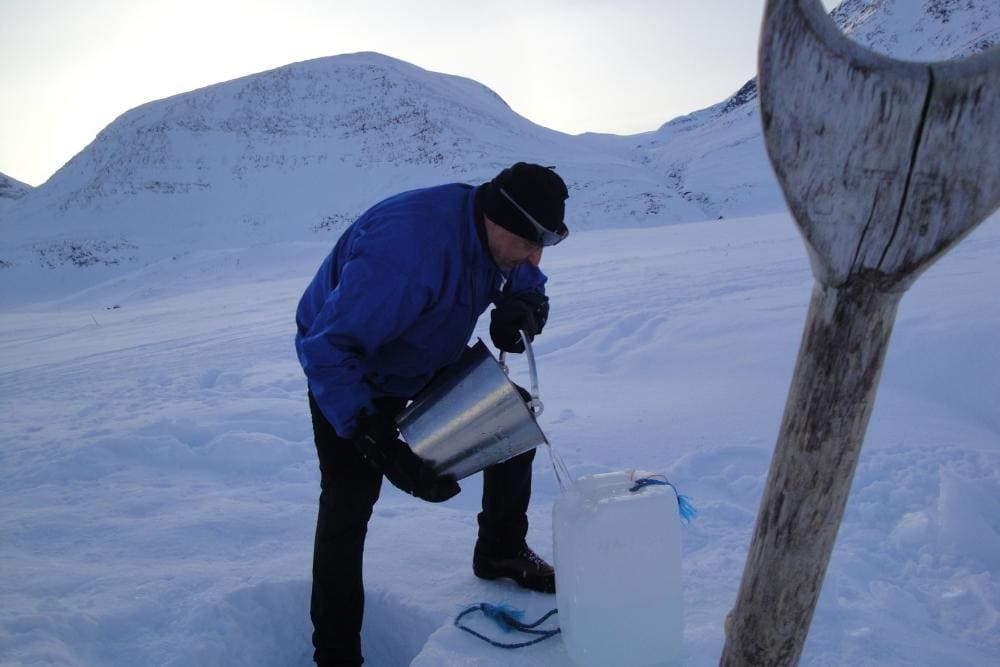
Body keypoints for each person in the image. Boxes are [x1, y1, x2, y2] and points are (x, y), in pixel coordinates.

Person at [294, 162, 570, 666]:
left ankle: (500, 549)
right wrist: (372, 435)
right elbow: (327, 349)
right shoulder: (405, 254)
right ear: (498, 222)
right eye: (531, 242)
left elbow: (528, 278)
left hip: (426, 352)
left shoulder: (504, 232)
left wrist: (525, 309)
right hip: (350, 371)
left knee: (510, 419)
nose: (535, 256)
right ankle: (335, 653)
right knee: (348, 504)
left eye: (545, 245)